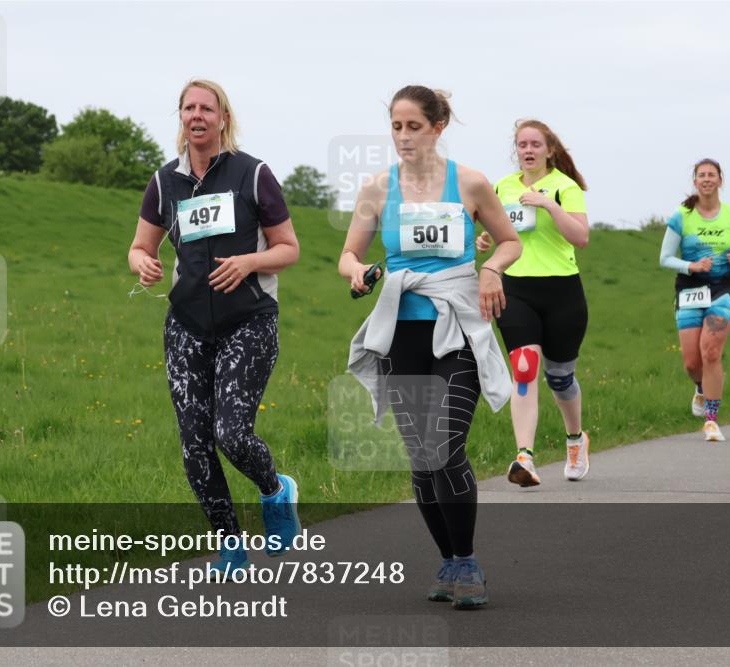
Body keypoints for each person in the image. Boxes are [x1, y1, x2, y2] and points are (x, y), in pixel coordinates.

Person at [342, 85, 520, 609]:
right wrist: (359, 273)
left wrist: (490, 269)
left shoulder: (469, 182)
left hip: (457, 328)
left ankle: (465, 561)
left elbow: (510, 240)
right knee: (421, 457)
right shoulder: (377, 189)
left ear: (438, 127)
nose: (403, 137)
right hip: (402, 329)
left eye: (413, 126)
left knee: (444, 445)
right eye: (396, 127)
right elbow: (348, 254)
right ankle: (450, 560)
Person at [127, 79, 302, 577]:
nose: (197, 115)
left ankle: (275, 490)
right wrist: (143, 262)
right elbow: (140, 246)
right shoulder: (165, 182)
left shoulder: (253, 174)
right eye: (189, 108)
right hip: (186, 324)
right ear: (180, 117)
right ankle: (229, 544)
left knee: (231, 433)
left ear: (223, 118)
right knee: (194, 442)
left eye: (207, 108)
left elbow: (288, 247)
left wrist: (249, 262)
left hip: (248, 320)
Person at [476, 119, 591, 487]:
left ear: (549, 150)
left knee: (560, 378)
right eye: (522, 145)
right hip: (516, 289)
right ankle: (524, 456)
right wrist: (484, 241)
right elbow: (499, 229)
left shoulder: (564, 187)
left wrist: (548, 205)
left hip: (562, 292)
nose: (528, 150)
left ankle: (576, 439)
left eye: (535, 145)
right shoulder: (502, 187)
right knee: (524, 367)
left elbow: (580, 237)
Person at [659, 158, 730, 442]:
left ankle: (712, 420)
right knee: (692, 362)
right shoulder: (681, 216)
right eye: (701, 175)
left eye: (711, 175)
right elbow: (664, 258)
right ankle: (701, 388)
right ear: (695, 181)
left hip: (723, 289)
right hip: (690, 290)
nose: (706, 179)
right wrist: (691, 266)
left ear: (720, 180)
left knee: (711, 352)